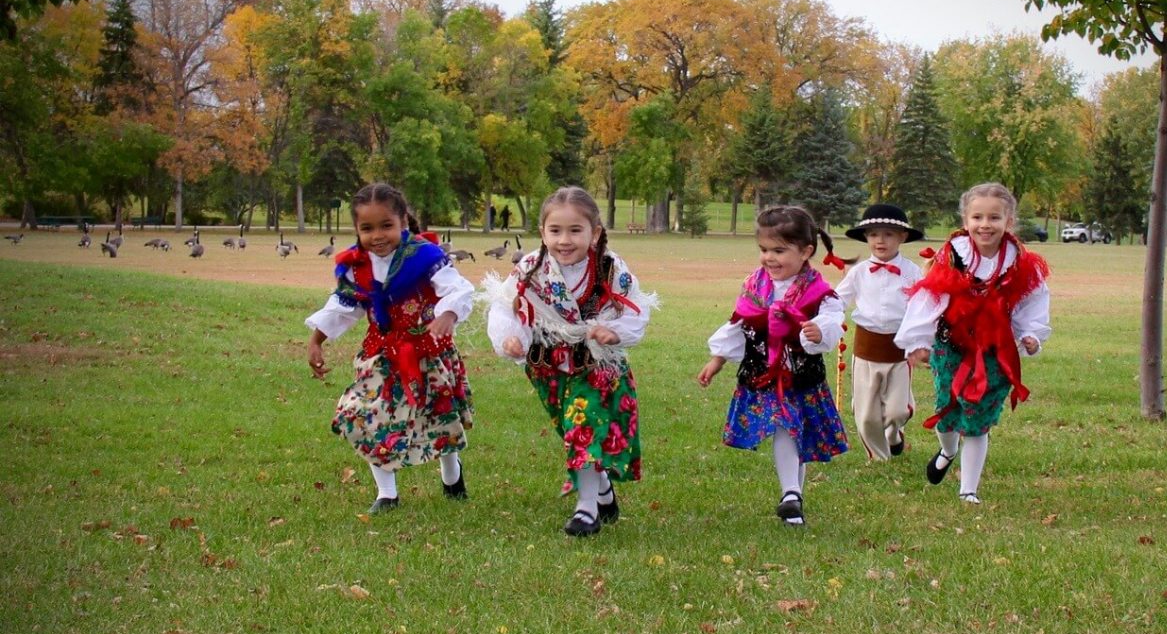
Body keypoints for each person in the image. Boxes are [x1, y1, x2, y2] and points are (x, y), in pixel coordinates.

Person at [485, 186, 656, 537]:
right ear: (543, 232)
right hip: (549, 366)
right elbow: (506, 306)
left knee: (584, 425)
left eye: (575, 230)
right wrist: (510, 337)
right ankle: (602, 489)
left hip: (596, 365)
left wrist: (615, 331)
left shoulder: (610, 269)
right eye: (555, 231)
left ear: (594, 233)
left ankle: (586, 510)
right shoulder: (531, 269)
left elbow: (634, 308)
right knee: (571, 429)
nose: (564, 240)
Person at [305, 182, 476, 514]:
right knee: (362, 414)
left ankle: (452, 475)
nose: (377, 235)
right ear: (356, 229)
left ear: (403, 222)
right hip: (382, 355)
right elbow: (343, 307)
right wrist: (316, 341)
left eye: (386, 225)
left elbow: (457, 288)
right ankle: (387, 494)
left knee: (439, 415)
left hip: (428, 349)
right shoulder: (356, 268)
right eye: (367, 228)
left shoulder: (424, 256)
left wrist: (448, 314)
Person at [894, 182, 1050, 505]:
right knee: (948, 411)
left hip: (995, 352)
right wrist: (918, 340)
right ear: (966, 221)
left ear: (1009, 221)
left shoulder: (1019, 260)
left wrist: (1031, 334)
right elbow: (929, 296)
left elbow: (1031, 301)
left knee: (977, 420)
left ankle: (968, 489)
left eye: (994, 217)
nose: (985, 224)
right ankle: (948, 451)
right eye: (977, 217)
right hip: (951, 347)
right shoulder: (953, 255)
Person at [697, 205, 849, 526]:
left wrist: (819, 330)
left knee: (796, 433)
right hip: (764, 374)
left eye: (779, 250)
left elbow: (834, 317)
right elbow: (740, 321)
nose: (769, 258)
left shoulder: (817, 290)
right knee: (784, 424)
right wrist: (718, 359)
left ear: (806, 251)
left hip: (800, 375)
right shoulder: (755, 285)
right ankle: (791, 493)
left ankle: (792, 497)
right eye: (764, 250)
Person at [835, 203, 924, 461]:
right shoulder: (858, 273)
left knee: (898, 410)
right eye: (873, 234)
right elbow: (837, 300)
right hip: (866, 350)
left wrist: (922, 341)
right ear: (866, 237)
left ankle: (894, 434)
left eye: (888, 234)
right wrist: (821, 318)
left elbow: (923, 308)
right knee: (865, 414)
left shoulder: (912, 272)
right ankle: (879, 458)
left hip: (899, 351)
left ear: (902, 237)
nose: (880, 240)